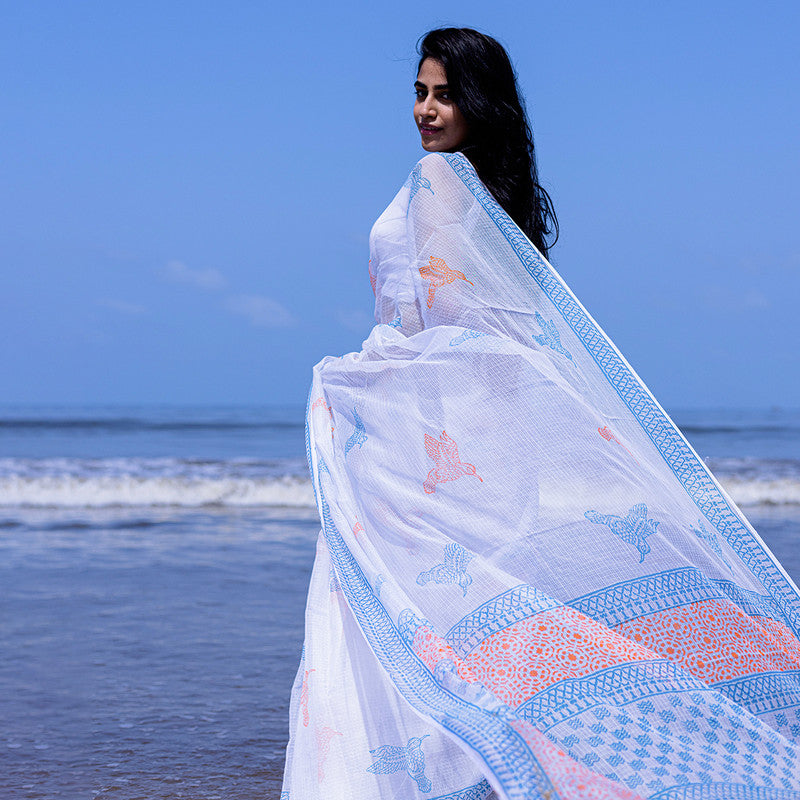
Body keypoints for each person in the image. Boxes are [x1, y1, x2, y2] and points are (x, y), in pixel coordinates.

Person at [281, 28, 800, 800]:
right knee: (471, 622)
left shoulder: (441, 183)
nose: (426, 109)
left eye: (444, 93)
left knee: (407, 614)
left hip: (427, 451)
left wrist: (366, 370)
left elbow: (460, 338)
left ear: (477, 102)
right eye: (419, 93)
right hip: (465, 444)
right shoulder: (488, 195)